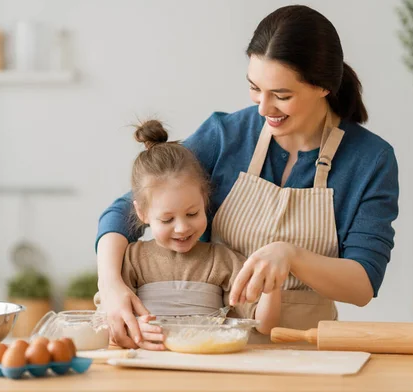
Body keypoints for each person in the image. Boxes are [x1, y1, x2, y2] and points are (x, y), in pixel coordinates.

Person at [96, 4, 399, 348]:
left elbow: (362, 284)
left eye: (281, 96)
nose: (263, 108)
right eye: (255, 88)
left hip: (307, 347)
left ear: (323, 87)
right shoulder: (227, 135)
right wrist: (110, 285)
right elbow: (126, 210)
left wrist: (292, 256)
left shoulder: (370, 159)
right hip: (219, 346)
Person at [95, 119, 280, 350]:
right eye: (167, 219)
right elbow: (106, 319)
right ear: (142, 213)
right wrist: (131, 328)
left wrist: (273, 287)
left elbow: (263, 325)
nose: (182, 228)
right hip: (146, 365)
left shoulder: (223, 260)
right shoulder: (131, 259)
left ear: (205, 201)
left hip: (209, 367)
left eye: (192, 213)